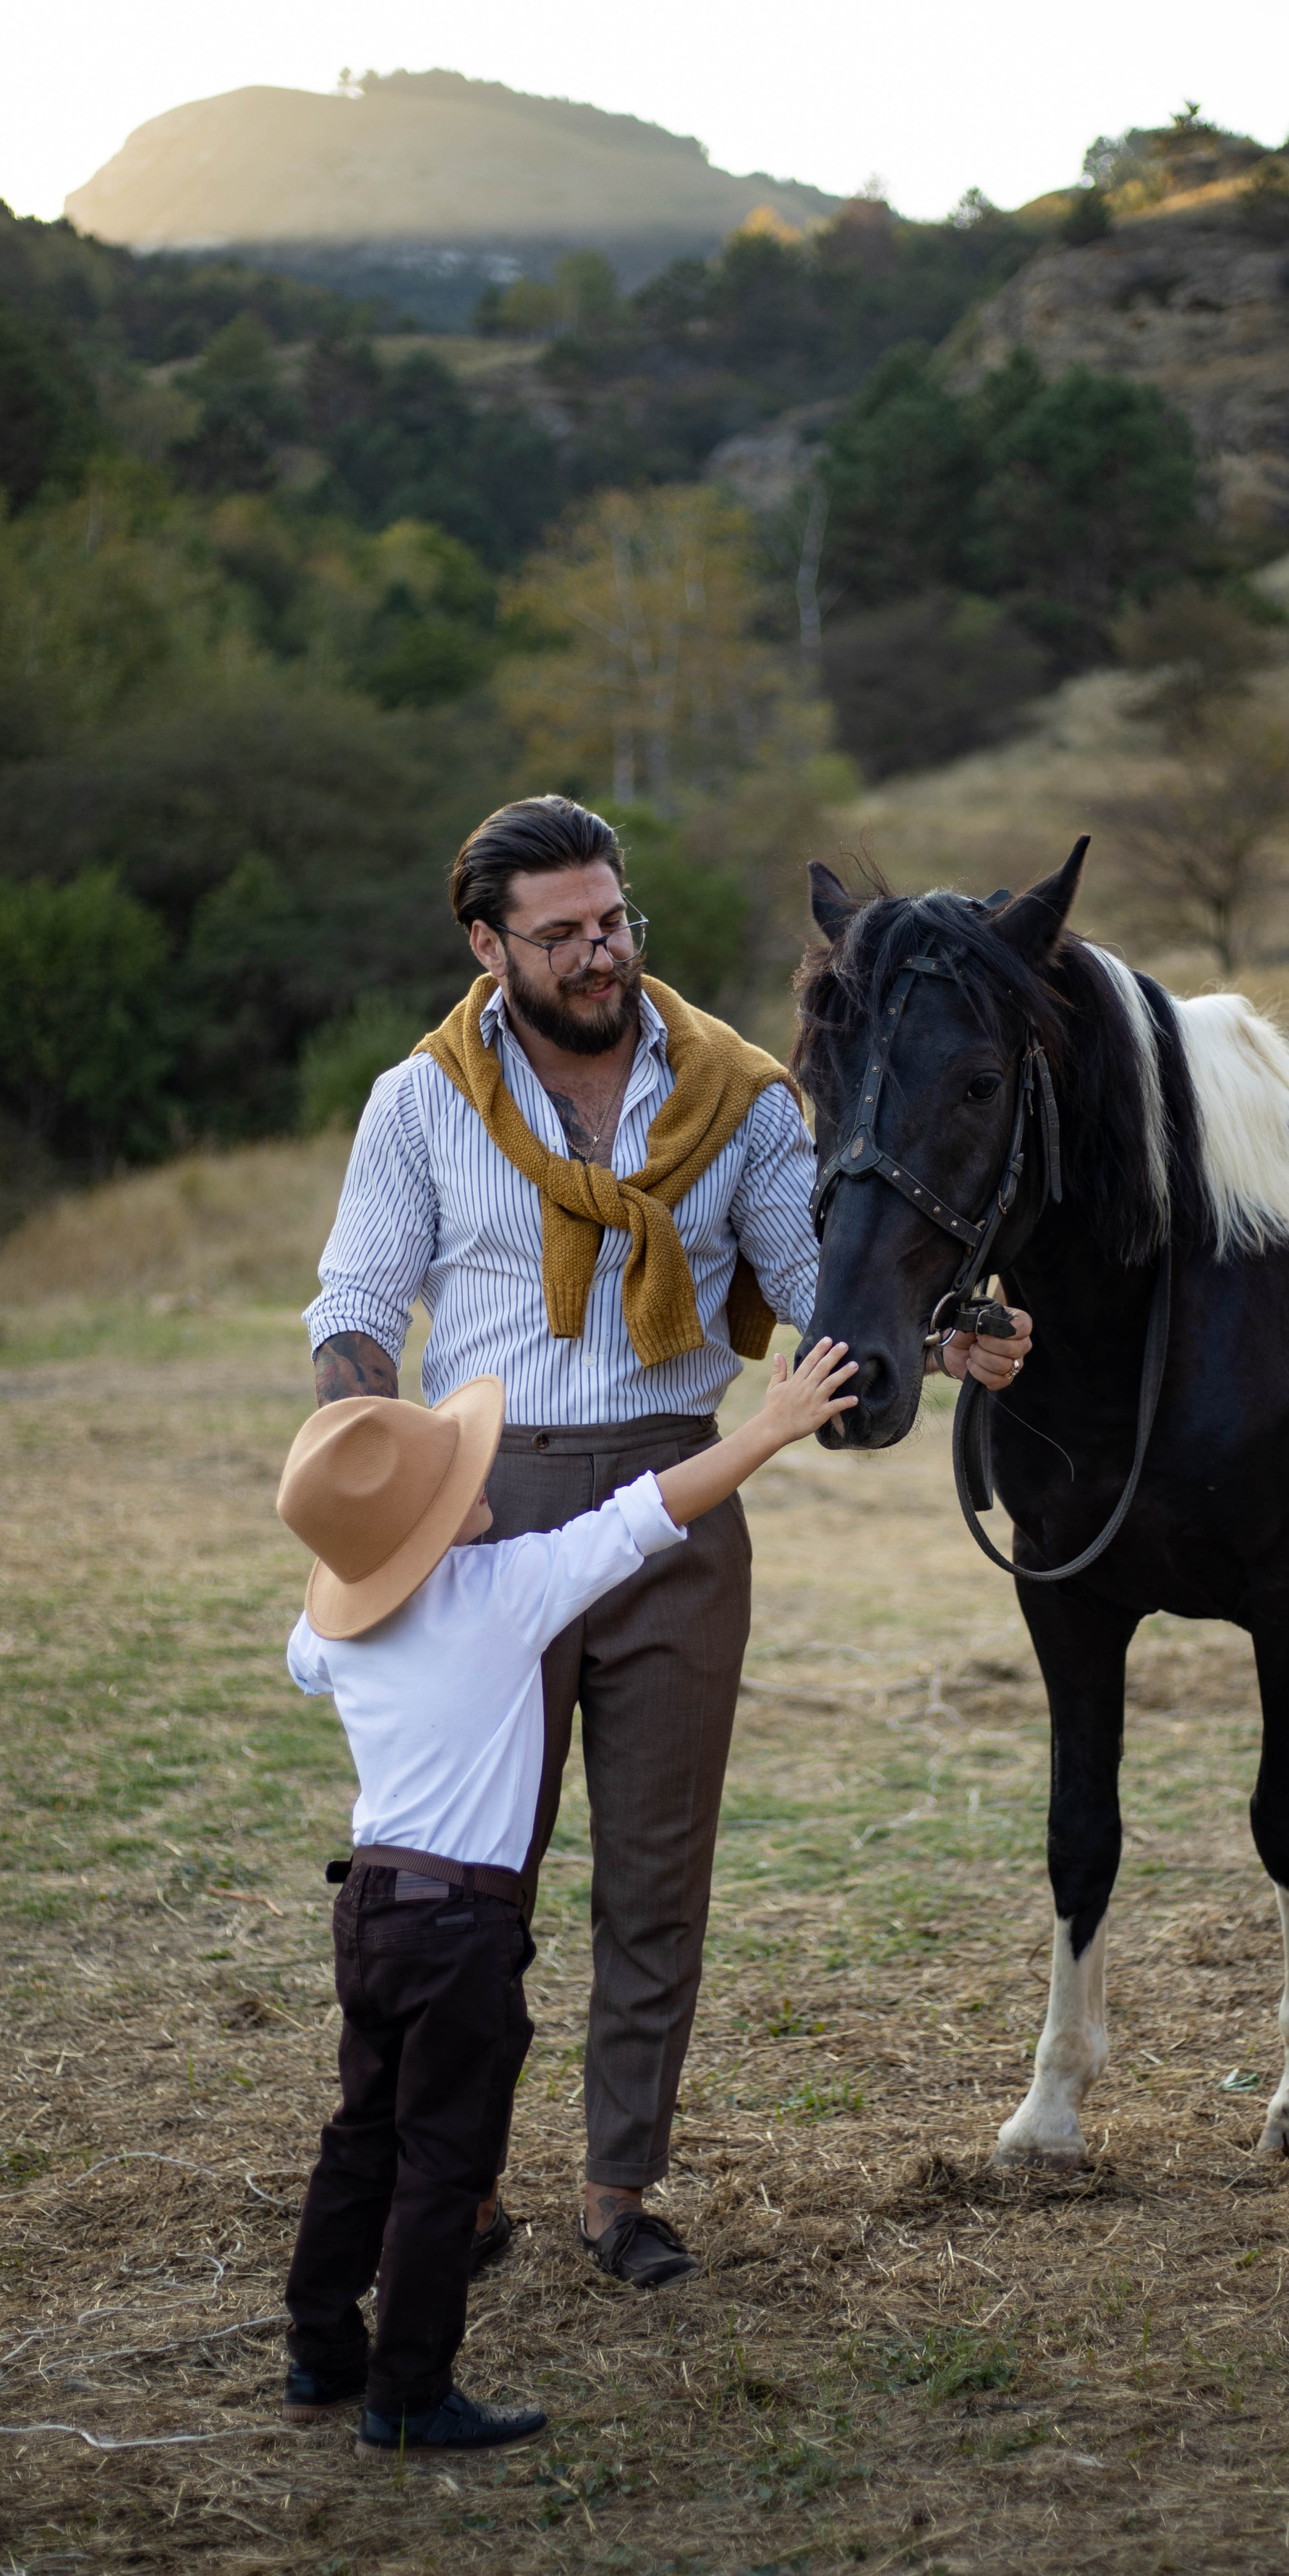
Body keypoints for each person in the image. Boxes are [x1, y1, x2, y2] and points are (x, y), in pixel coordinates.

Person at [305, 793, 1031, 2288]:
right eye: (560, 933)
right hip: (476, 1510)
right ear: (486, 942)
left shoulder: (743, 1098)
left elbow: (808, 1281)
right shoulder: (420, 1100)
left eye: (612, 921)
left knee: (655, 1873)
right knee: (460, 1880)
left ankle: (616, 2187)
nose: (598, 954)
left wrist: (947, 1344)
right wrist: (377, 1478)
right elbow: (356, 1317)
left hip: (676, 1508)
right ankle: (459, 2179)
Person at [277, 1338, 859, 2453]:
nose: (485, 1482)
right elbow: (651, 1509)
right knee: (446, 2159)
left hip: (371, 1914)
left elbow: (310, 1647)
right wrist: (773, 1425)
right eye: (459, 1482)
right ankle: (407, 2394)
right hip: (461, 1933)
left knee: (362, 2137)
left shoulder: (334, 1637)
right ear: (435, 1531)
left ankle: (317, 2352)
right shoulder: (504, 1593)